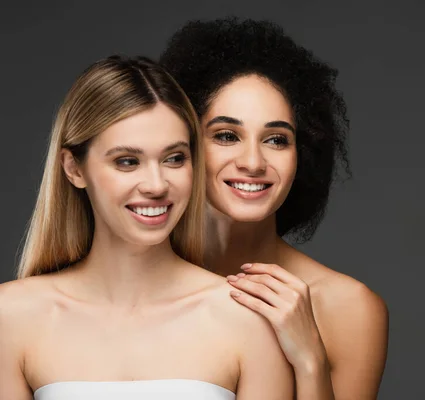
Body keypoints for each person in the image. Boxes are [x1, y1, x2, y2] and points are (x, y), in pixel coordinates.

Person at [0, 55, 293, 400]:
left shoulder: (248, 319)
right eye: (127, 161)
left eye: (174, 159)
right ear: (74, 168)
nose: (156, 185)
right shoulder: (11, 317)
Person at [160, 17, 389, 400]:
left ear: (303, 154)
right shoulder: (137, 284)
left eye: (277, 140)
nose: (253, 161)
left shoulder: (349, 308)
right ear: (184, 145)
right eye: (227, 136)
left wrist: (310, 359)